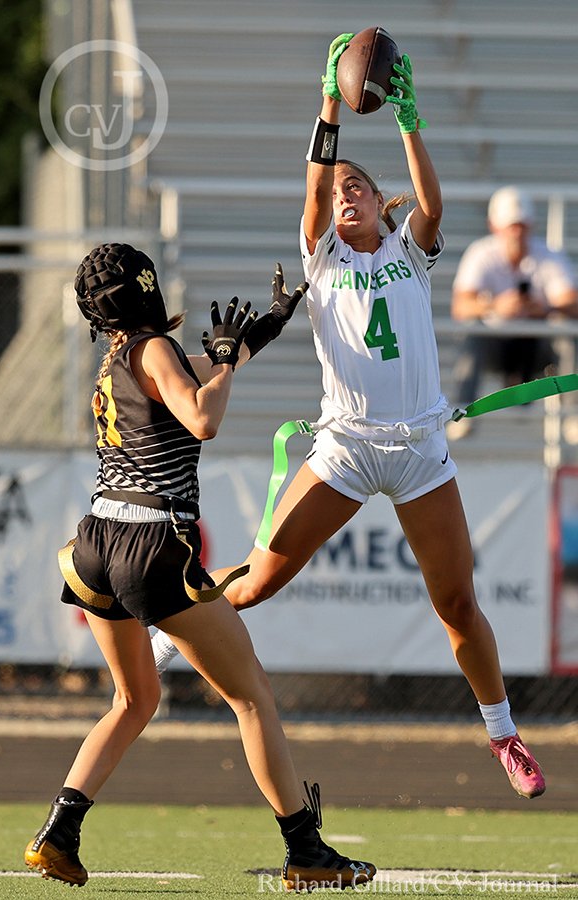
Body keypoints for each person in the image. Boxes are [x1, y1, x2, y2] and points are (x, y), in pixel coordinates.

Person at [152, 36, 546, 802]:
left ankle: (503, 733)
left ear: (375, 197)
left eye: (357, 187)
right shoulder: (323, 256)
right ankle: (168, 632)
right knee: (260, 581)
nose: (345, 195)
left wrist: (406, 116)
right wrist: (329, 104)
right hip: (347, 448)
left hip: (421, 451)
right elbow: (313, 187)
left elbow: (432, 205)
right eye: (337, 191)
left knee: (458, 604)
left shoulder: (409, 250)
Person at [23, 242, 376, 892]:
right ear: (145, 288)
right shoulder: (152, 347)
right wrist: (224, 367)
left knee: (135, 698)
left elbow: (199, 372)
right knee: (250, 696)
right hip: (152, 545)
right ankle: (305, 850)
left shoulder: (116, 358)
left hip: (98, 541)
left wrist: (256, 336)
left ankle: (60, 832)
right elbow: (203, 415)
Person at [449, 185, 578, 436]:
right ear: (494, 226)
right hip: (497, 344)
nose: (516, 234)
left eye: (521, 226)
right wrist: (497, 306)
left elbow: (571, 302)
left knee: (565, 335)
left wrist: (542, 309)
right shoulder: (482, 254)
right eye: (511, 226)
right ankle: (464, 412)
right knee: (472, 334)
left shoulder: (547, 255)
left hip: (539, 346)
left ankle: (573, 415)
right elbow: (460, 307)